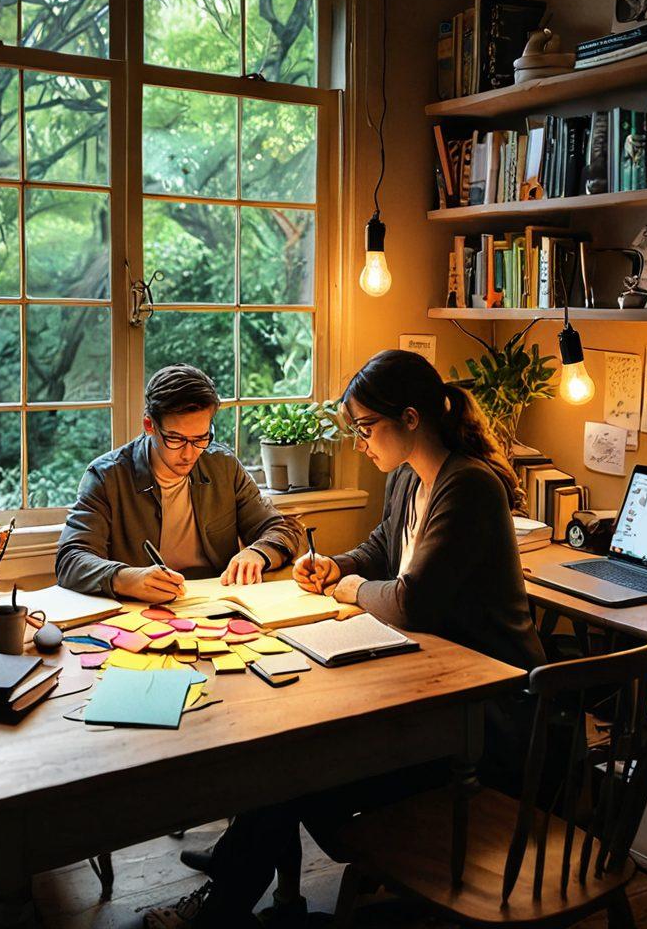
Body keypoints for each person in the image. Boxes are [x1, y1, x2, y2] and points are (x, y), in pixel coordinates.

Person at [143, 350, 545, 929]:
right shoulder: (409, 475)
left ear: (410, 419)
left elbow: (411, 602)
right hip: (429, 681)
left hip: (485, 715)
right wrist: (337, 565)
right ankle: (235, 878)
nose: (359, 443)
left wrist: (350, 588)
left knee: (293, 769)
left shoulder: (469, 486)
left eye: (365, 427)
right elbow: (383, 547)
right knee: (288, 755)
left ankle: (224, 901)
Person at [56, 364, 303, 601]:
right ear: (149, 425)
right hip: (140, 614)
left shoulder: (223, 466)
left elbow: (282, 529)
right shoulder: (106, 476)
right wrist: (124, 578)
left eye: (200, 438)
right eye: (175, 439)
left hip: (217, 607)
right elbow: (71, 558)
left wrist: (258, 552)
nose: (189, 453)